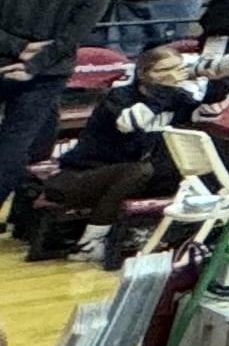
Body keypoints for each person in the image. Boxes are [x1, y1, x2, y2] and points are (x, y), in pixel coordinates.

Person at [20, 42, 202, 263]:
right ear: (143, 74)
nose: (172, 76)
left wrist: (219, 78)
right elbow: (130, 124)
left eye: (177, 68)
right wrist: (165, 93)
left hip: (121, 181)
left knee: (177, 166)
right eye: (164, 70)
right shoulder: (118, 97)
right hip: (78, 177)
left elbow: (206, 113)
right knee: (140, 170)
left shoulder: (175, 98)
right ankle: (89, 244)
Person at [0, 0, 114, 188]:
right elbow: (78, 31)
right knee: (16, 142)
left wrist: (20, 47)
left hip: (4, 59)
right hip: (49, 71)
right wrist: (35, 64)